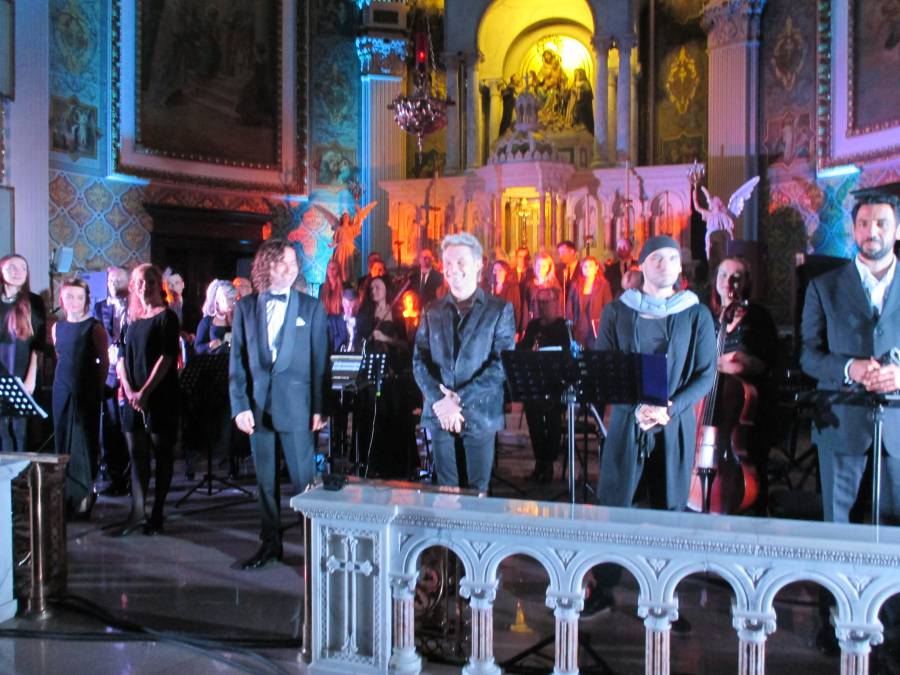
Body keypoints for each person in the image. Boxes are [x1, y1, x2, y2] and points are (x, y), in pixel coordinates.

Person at [583, 236, 716, 618]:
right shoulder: (618, 311)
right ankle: (605, 587)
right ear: (642, 265)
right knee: (615, 505)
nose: (666, 264)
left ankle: (663, 597)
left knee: (669, 508)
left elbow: (706, 374)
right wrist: (636, 407)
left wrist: (669, 409)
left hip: (673, 423)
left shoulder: (695, 314)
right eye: (657, 258)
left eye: (673, 257)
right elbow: (604, 365)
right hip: (629, 420)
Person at [800, 193, 900, 524]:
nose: (872, 231)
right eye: (863, 223)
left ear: (898, 230)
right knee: (839, 534)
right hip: (840, 425)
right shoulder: (822, 286)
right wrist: (848, 368)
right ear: (854, 230)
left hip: (898, 428)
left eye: (881, 223)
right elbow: (808, 356)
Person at [229, 239, 328, 569]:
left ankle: (313, 548)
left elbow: (320, 361)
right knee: (265, 483)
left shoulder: (311, 308)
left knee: (304, 483)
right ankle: (270, 544)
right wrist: (240, 406)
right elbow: (237, 362)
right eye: (282, 262)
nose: (290, 268)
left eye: (293, 263)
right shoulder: (245, 308)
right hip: (257, 408)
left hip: (299, 408)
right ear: (266, 265)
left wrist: (320, 407)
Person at [413, 232, 516, 492]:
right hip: (440, 413)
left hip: (480, 412)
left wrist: (458, 399)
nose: (452, 269)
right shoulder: (432, 310)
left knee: (476, 492)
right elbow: (419, 361)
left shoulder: (499, 309)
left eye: (460, 262)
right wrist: (441, 400)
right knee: (446, 491)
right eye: (448, 263)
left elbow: (501, 364)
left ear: (478, 265)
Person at [113, 264, 181, 537]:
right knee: (137, 457)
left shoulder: (167, 318)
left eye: (151, 281)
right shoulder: (130, 319)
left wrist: (145, 392)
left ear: (158, 286)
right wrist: (130, 390)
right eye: (140, 281)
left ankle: (157, 513)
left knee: (162, 457)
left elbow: (167, 358)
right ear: (133, 286)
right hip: (132, 398)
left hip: (160, 397)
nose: (145, 286)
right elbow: (120, 358)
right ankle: (137, 512)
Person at [709, 257, 779, 515]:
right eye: (723, 275)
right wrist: (724, 362)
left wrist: (737, 362)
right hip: (711, 407)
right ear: (716, 280)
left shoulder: (758, 318)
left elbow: (762, 364)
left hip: (748, 413)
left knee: (751, 469)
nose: (729, 282)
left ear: (746, 283)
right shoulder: (708, 317)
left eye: (736, 277)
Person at [52, 277, 108, 518]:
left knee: (84, 443)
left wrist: (97, 388)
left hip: (86, 390)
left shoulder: (94, 327)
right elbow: (60, 356)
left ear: (86, 300)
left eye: (79, 297)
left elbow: (104, 361)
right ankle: (66, 497)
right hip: (61, 389)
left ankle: (85, 496)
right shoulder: (57, 327)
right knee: (63, 441)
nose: (74, 301)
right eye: (69, 296)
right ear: (61, 299)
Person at [356, 276, 418, 478]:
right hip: (372, 374)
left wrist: (386, 338)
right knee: (373, 418)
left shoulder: (396, 314)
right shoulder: (365, 314)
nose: (374, 290)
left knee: (394, 417)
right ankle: (373, 463)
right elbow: (360, 342)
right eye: (371, 288)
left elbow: (405, 345)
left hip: (393, 374)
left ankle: (397, 466)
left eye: (378, 287)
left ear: (386, 290)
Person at [518, 287, 568, 483]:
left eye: (546, 302)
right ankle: (540, 462)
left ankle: (548, 465)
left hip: (555, 386)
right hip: (535, 384)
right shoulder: (533, 326)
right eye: (539, 303)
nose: (541, 306)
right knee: (535, 424)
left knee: (553, 423)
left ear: (555, 303)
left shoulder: (563, 327)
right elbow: (522, 350)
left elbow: (567, 356)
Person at [0, 254, 46, 452]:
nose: (18, 272)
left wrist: (31, 379)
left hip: (22, 373)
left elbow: (38, 345)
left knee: (20, 432)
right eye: (12, 267)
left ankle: (22, 472)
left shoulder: (34, 302)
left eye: (23, 268)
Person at [93, 266, 130, 495]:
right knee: (109, 425)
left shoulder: (135, 307)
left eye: (118, 280)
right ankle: (114, 475)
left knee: (128, 425)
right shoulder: (100, 307)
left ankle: (129, 476)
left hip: (129, 373)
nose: (113, 284)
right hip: (107, 373)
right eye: (110, 280)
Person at [567, 256, 613, 348]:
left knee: (595, 351)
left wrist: (606, 324)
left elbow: (608, 305)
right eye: (585, 266)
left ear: (596, 268)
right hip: (579, 326)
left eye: (590, 266)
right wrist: (570, 320)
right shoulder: (576, 285)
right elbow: (570, 303)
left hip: (596, 326)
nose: (587, 269)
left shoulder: (603, 284)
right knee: (580, 351)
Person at [195, 279, 236, 354]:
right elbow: (198, 348)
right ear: (217, 299)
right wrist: (209, 345)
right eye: (228, 298)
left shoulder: (237, 318)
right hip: (215, 359)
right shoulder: (207, 321)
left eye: (233, 298)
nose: (232, 302)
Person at [526, 251, 561, 323]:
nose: (540, 268)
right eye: (538, 265)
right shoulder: (530, 284)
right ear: (534, 266)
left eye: (544, 266)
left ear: (549, 267)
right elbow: (526, 306)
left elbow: (559, 307)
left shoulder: (554, 285)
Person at [489, 260, 522, 337]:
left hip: (507, 328)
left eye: (500, 270)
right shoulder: (489, 288)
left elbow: (517, 309)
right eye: (495, 270)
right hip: (491, 329)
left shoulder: (513, 287)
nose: (497, 273)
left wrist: (516, 330)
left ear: (506, 272)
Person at [555, 240, 582, 310]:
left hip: (578, 307)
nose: (561, 256)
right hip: (563, 308)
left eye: (563, 252)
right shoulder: (558, 270)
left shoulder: (583, 269)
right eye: (559, 253)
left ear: (572, 252)